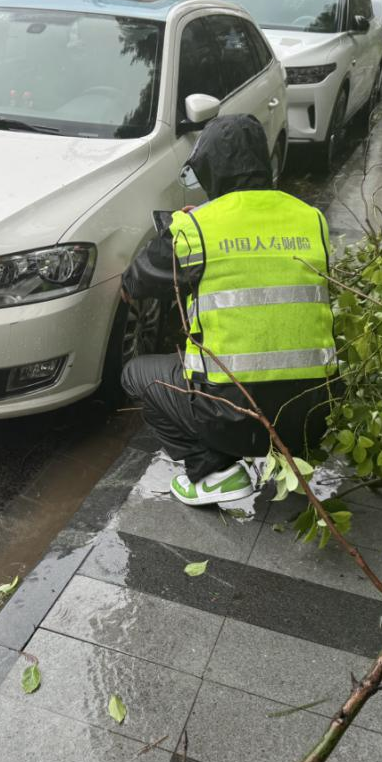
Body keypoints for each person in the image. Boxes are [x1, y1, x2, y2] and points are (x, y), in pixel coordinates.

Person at [120, 114, 341, 506]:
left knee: (137, 375)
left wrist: (181, 230)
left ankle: (212, 472)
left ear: (211, 168)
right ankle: (285, 457)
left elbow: (135, 284)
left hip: (233, 420)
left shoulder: (197, 228)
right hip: (313, 420)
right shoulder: (313, 219)